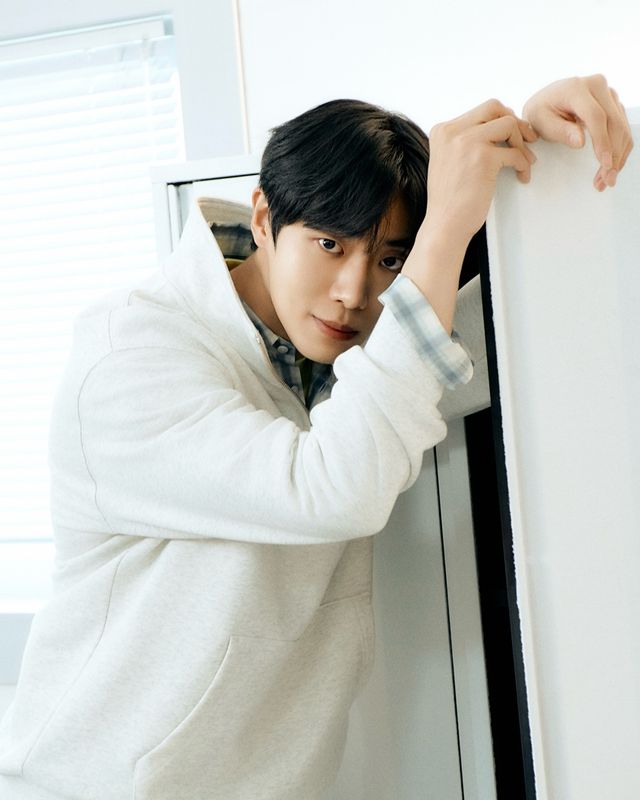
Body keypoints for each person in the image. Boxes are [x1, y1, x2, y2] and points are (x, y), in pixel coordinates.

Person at [0, 75, 632, 800]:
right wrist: (443, 230)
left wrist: (543, 171)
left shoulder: (337, 358)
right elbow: (334, 485)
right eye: (329, 244)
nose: (354, 292)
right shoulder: (133, 358)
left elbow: (487, 340)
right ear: (263, 218)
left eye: (389, 259)